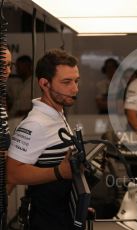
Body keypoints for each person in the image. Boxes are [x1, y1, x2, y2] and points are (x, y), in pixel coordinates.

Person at [7, 49, 79, 230]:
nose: (75, 89)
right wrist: (58, 172)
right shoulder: (35, 124)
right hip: (45, 221)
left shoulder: (57, 114)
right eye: (66, 82)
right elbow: (12, 174)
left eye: (76, 81)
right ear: (45, 83)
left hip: (62, 215)